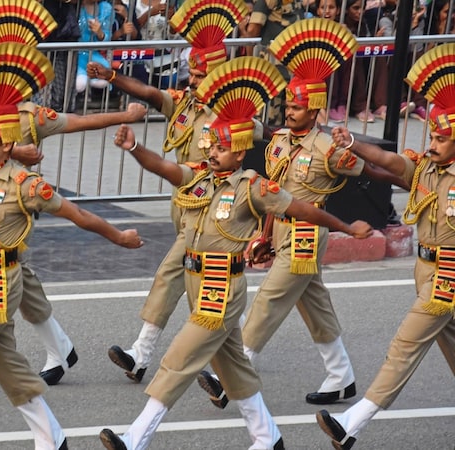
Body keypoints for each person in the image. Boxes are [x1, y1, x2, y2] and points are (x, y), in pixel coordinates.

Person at [98, 56, 373, 450]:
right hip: (194, 280)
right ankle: (268, 437)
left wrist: (347, 227)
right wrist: (135, 148)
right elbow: (165, 168)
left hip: (220, 287)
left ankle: (135, 437)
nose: (212, 153)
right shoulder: (201, 179)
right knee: (236, 369)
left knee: (179, 358)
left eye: (222, 149)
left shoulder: (254, 187)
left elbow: (302, 209)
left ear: (240, 153)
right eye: (211, 146)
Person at [0, 41, 143, 450]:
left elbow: (78, 215)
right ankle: (52, 438)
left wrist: (119, 236)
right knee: (7, 366)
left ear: (9, 144)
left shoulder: (26, 184)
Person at [196, 18, 395, 410]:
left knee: (269, 300)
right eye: (287, 104)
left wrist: (416, 180)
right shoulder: (281, 141)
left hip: (307, 234)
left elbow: (373, 171)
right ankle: (341, 376)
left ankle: (229, 377)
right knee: (314, 304)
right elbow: (277, 193)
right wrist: (265, 235)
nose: (289, 111)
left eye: (297, 106)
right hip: (282, 229)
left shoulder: (327, 148)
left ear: (316, 109)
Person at [86, 0, 250, 383]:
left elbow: (253, 143)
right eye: (191, 73)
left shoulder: (234, 118)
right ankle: (237, 353)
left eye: (200, 76)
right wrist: (113, 78)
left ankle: (141, 353)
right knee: (206, 284)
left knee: (173, 274)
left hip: (214, 210)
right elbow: (148, 92)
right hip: (184, 206)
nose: (192, 81)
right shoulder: (185, 105)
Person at [316, 43, 455, 450]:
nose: (432, 145)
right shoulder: (429, 168)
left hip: (449, 275)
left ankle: (352, 422)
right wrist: (352, 143)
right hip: (425, 269)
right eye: (432, 137)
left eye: (442, 140)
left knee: (405, 345)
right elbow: (391, 163)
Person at [75, 0, 113, 102]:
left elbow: (108, 36)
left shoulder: (106, 8)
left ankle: (89, 94)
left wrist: (100, 33)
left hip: (93, 53)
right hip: (75, 54)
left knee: (103, 80)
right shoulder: (74, 5)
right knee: (80, 84)